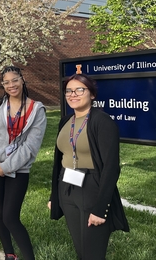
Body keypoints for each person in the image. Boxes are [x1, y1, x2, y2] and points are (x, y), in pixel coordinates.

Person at [48, 73, 129, 260]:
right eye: (68, 91)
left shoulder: (102, 122)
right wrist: (55, 195)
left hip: (91, 188)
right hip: (66, 186)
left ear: (92, 94)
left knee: (93, 253)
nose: (72, 94)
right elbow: (59, 162)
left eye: (79, 90)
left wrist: (101, 208)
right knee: (81, 250)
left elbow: (111, 167)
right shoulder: (65, 121)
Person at [0, 66, 46, 260]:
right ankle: (9, 254)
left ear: (22, 80)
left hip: (18, 170)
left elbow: (31, 147)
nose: (11, 85)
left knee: (10, 217)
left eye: (14, 80)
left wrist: (4, 167)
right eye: (6, 82)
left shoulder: (36, 109)